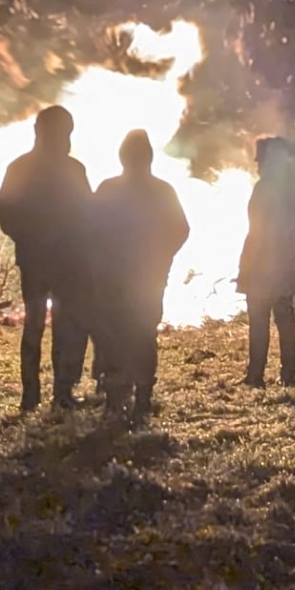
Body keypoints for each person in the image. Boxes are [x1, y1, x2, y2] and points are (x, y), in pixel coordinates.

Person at [0, 105, 93, 411]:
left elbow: (4, 211)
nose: (66, 140)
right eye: (65, 133)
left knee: (39, 326)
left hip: (40, 260)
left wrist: (25, 237)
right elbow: (88, 213)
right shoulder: (72, 170)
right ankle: (57, 393)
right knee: (61, 327)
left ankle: (36, 394)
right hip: (61, 261)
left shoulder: (21, 167)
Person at [88, 130, 190, 422]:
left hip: (114, 277)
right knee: (143, 333)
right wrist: (162, 257)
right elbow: (181, 229)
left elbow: (90, 229)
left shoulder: (108, 189)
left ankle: (116, 396)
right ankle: (141, 396)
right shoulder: (162, 190)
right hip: (147, 276)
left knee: (113, 333)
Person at [237, 135, 295, 388]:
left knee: (259, 320)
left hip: (261, 263)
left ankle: (255, 376)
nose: (257, 165)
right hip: (286, 262)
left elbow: (257, 227)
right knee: (285, 318)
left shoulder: (265, 187)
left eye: (260, 160)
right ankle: (288, 376)